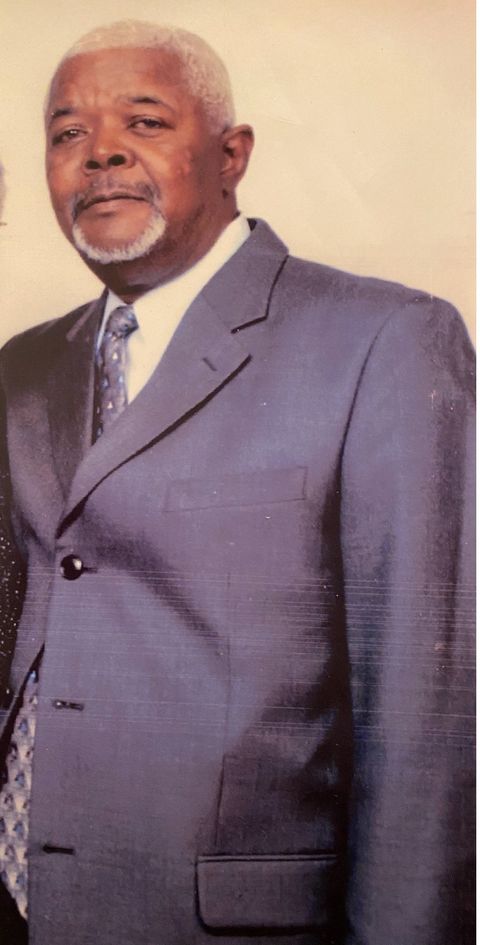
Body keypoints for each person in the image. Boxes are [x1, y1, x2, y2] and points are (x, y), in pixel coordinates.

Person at [0, 19, 474, 945]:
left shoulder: (382, 341)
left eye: (144, 121)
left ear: (232, 154)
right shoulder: (21, 367)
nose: (100, 153)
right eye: (67, 133)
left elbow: (424, 724)